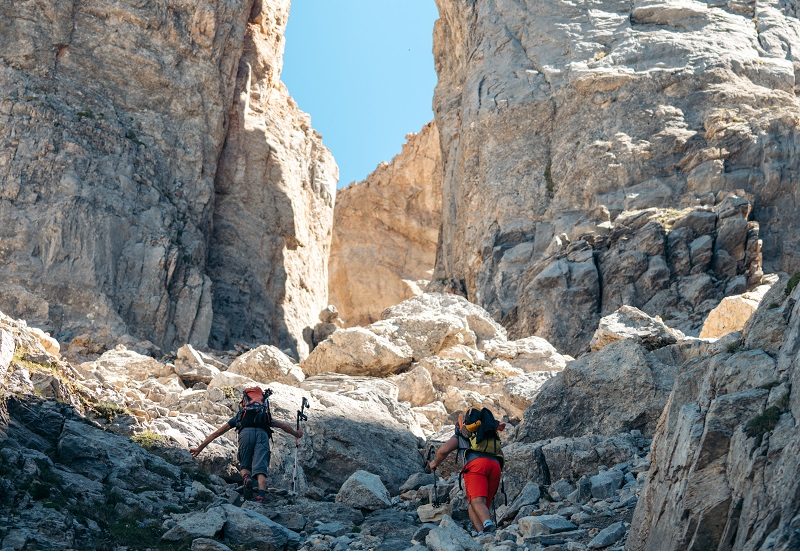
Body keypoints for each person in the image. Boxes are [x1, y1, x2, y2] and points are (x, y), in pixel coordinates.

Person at [190, 386, 303, 503]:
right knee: (260, 467)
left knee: (245, 464)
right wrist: (296, 434)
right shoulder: (264, 416)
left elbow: (216, 433)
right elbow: (283, 426)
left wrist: (199, 448)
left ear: (244, 401)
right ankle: (261, 495)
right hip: (262, 434)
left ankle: (246, 478)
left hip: (245, 433)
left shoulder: (240, 416)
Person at [427, 407, 506, 534]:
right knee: (478, 504)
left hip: (476, 466)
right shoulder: (489, 432)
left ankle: (489, 526)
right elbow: (500, 454)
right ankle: (482, 534)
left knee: (477, 501)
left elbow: (443, 451)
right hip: (495, 466)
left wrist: (434, 463)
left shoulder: (462, 435)